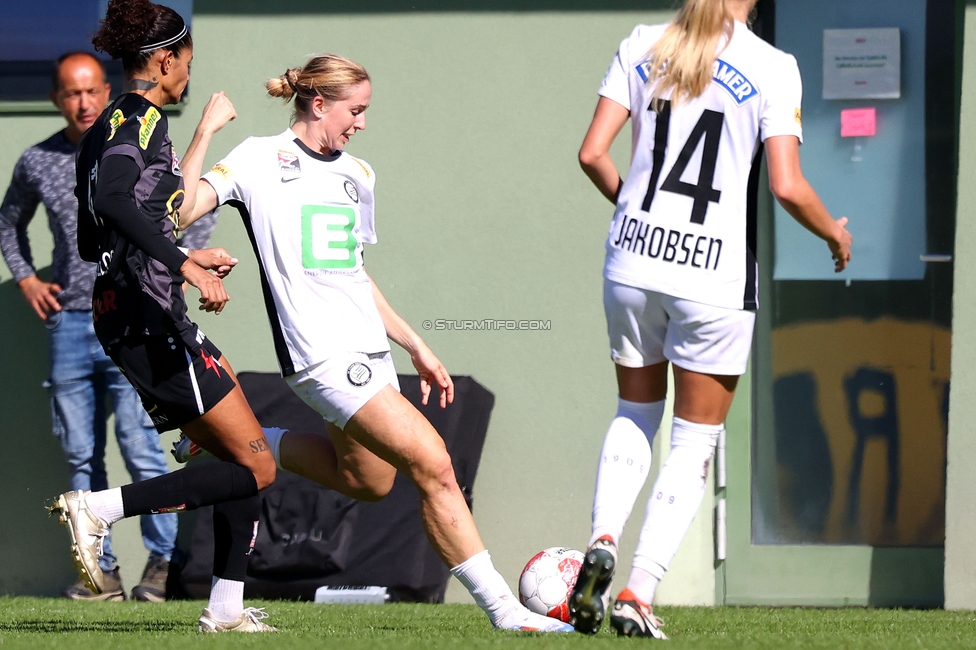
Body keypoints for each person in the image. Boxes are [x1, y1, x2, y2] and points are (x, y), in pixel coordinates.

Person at [178, 54, 573, 634]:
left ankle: (240, 442)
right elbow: (181, 211)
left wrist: (416, 344)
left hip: (369, 351)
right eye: (354, 110)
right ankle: (507, 614)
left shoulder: (358, 175)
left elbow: (354, 275)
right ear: (318, 104)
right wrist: (206, 130)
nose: (361, 123)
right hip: (321, 356)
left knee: (369, 480)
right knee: (434, 463)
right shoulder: (258, 159)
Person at [568, 0, 852, 638]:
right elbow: (786, 185)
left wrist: (637, 213)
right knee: (693, 441)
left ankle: (602, 539)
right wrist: (834, 232)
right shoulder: (774, 65)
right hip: (712, 276)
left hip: (631, 262)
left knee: (635, 413)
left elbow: (592, 153)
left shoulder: (643, 41)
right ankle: (638, 591)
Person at [50, 0, 281, 633]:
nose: (187, 75)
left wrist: (182, 246)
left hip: (132, 310)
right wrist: (182, 264)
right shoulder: (141, 119)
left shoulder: (106, 125)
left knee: (242, 457)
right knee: (258, 464)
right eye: (185, 64)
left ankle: (227, 608)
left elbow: (131, 217)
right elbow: (113, 199)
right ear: (162, 59)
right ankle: (98, 507)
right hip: (146, 315)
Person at [0, 51, 216, 602]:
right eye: (71, 94)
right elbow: (8, 225)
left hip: (137, 314)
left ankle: (162, 567)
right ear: (56, 100)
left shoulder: (138, 138)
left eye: (91, 90)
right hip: (71, 323)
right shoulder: (38, 160)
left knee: (142, 445)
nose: (83, 102)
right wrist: (26, 279)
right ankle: (100, 572)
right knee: (80, 452)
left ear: (108, 90)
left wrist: (178, 264)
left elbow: (188, 210)